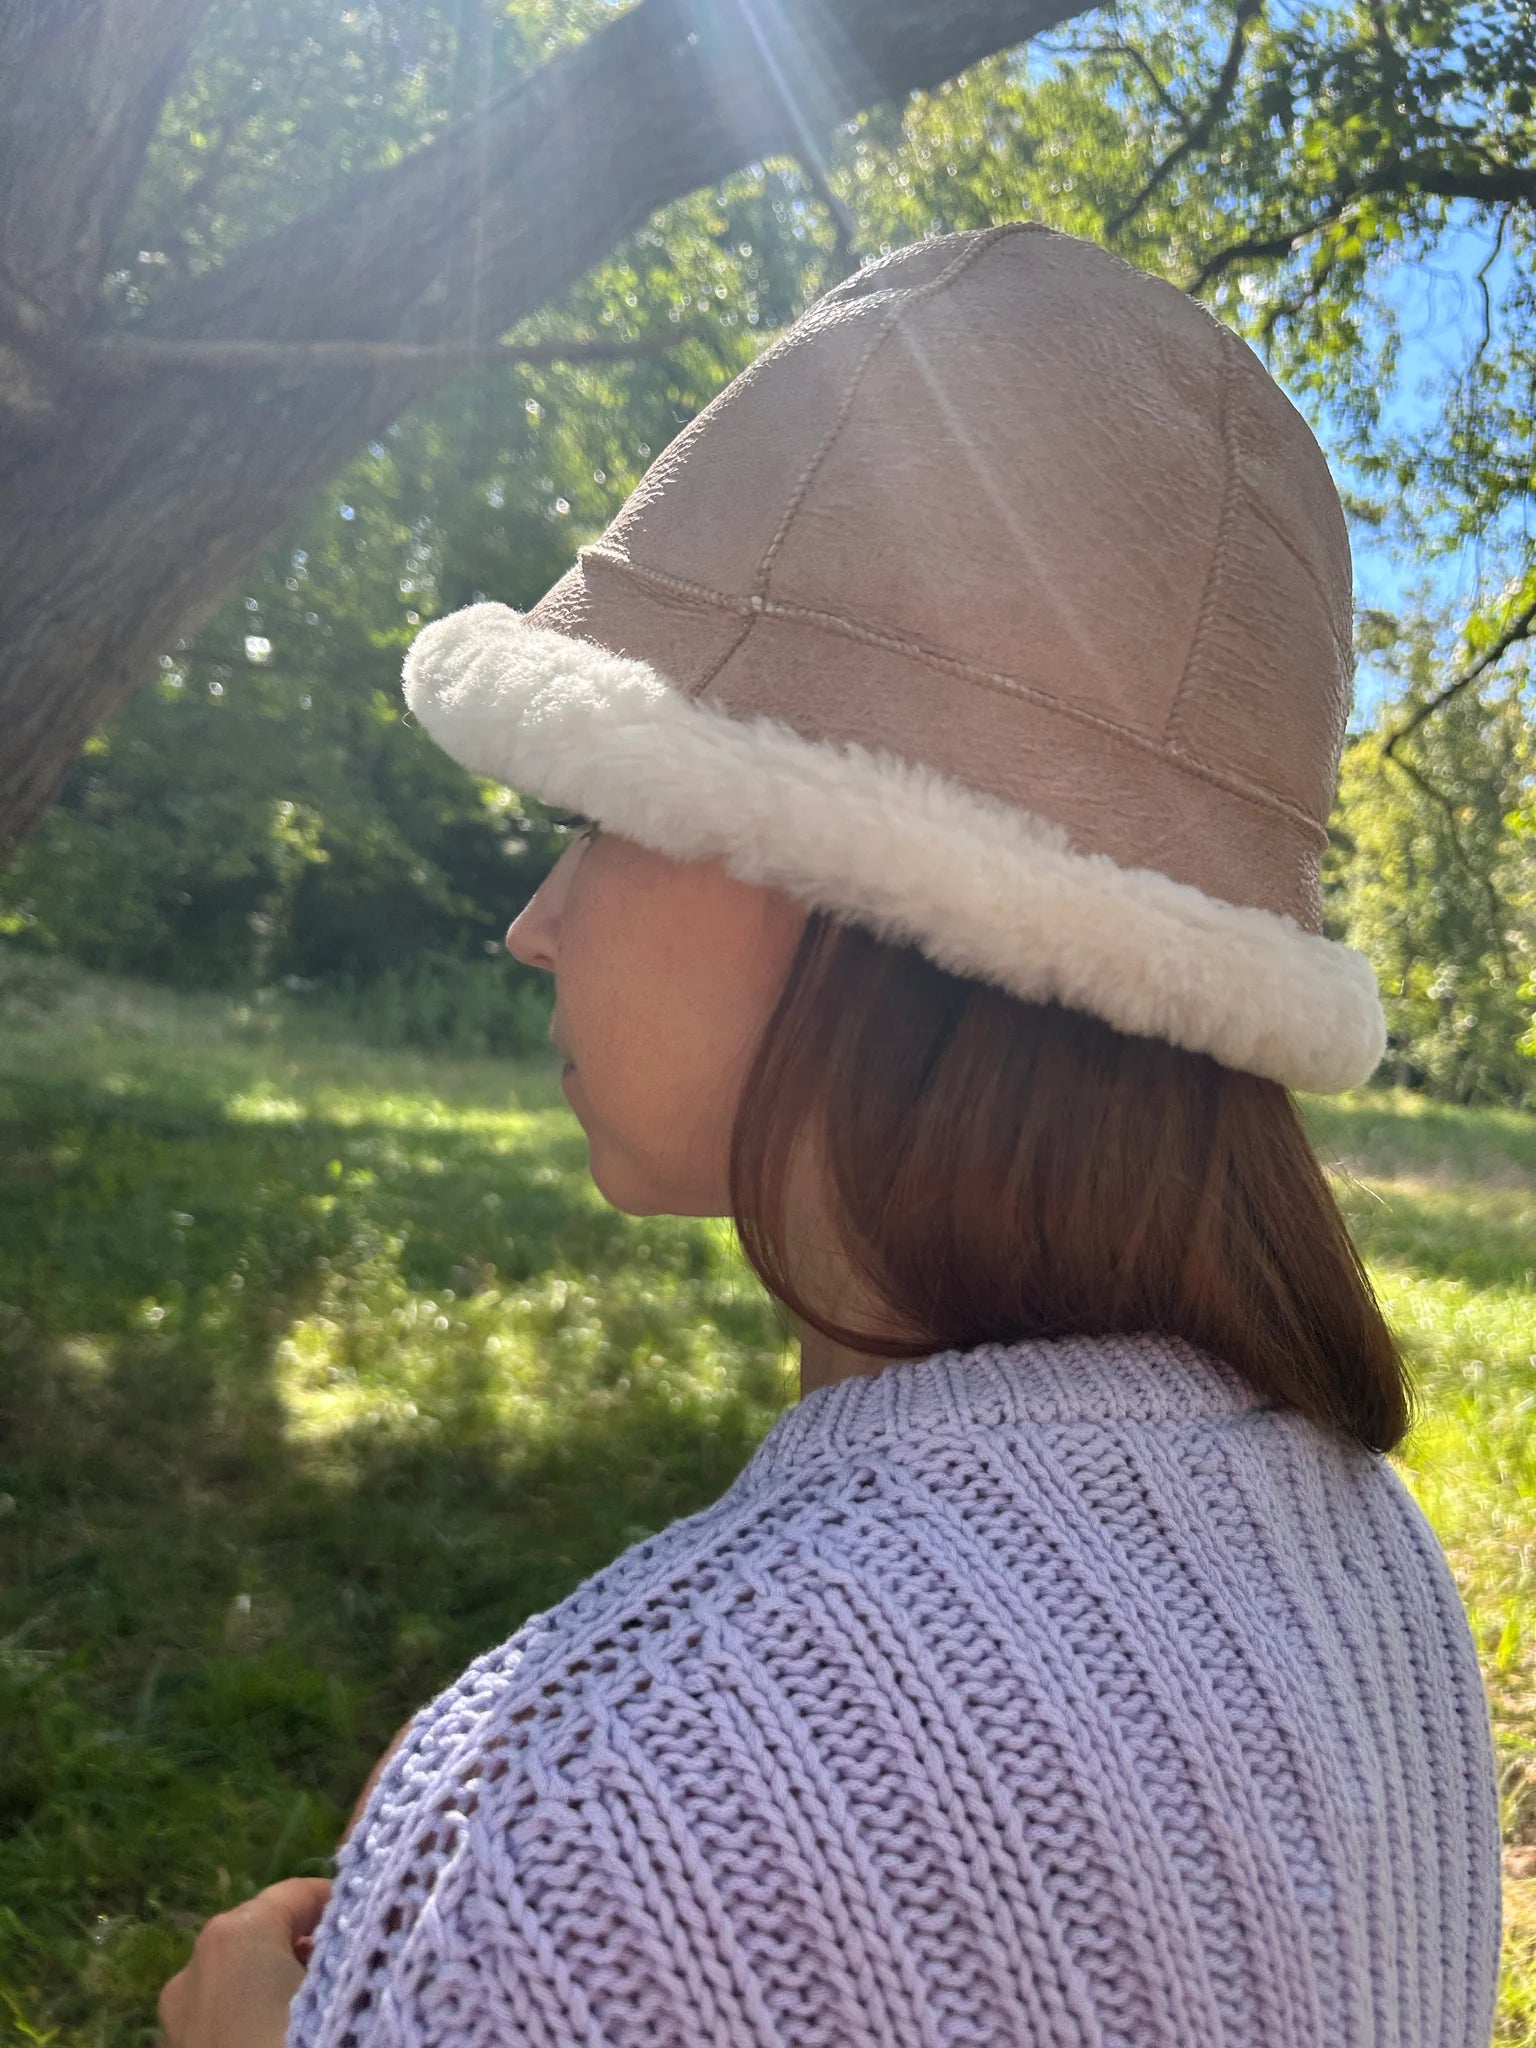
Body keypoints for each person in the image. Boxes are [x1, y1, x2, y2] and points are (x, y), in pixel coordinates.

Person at [158, 223, 1503, 2048]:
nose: (534, 923)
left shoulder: (583, 1834)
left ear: (850, 876)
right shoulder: (1370, 1564)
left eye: (608, 810)